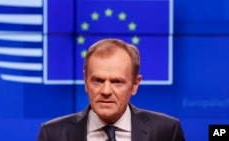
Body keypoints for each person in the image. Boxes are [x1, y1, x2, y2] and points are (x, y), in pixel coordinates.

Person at [37, 38, 185, 141]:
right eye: (98, 80)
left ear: (134, 84)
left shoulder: (166, 131)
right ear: (85, 82)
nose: (106, 91)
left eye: (117, 82)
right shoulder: (53, 134)